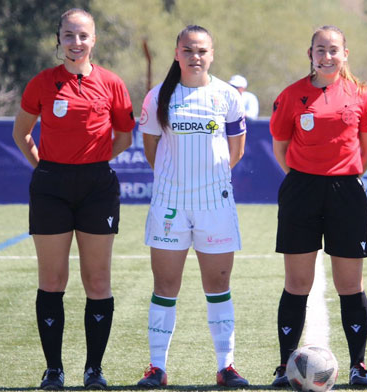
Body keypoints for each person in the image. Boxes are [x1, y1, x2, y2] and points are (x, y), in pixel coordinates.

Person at [11, 8, 135, 390]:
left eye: (83, 36)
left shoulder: (112, 83)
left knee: (97, 280)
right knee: (53, 279)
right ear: (59, 39)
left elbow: (124, 136)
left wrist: (93, 161)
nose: (76, 43)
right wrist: (45, 167)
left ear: (93, 40)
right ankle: (53, 371)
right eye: (68, 35)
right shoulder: (43, 83)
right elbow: (22, 134)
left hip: (97, 185)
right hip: (51, 185)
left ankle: (94, 371)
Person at [135, 25, 249, 388]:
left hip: (214, 204)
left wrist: (208, 183)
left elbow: (237, 149)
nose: (195, 56)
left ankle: (226, 366)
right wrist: (178, 182)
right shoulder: (158, 97)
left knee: (218, 285)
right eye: (188, 50)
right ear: (176, 53)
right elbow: (152, 149)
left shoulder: (228, 96)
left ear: (211, 55)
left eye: (201, 51)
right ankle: (157, 368)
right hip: (170, 204)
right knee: (165, 285)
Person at [269, 25, 367, 387]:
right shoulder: (291, 96)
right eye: (320, 49)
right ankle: (286, 367)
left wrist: (340, 178)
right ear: (310, 54)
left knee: (350, 283)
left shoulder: (361, 96)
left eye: (334, 49)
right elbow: (281, 149)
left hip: (346, 191)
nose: (327, 56)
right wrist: (308, 178)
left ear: (345, 54)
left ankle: (357, 366)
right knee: (297, 281)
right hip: (301, 189)